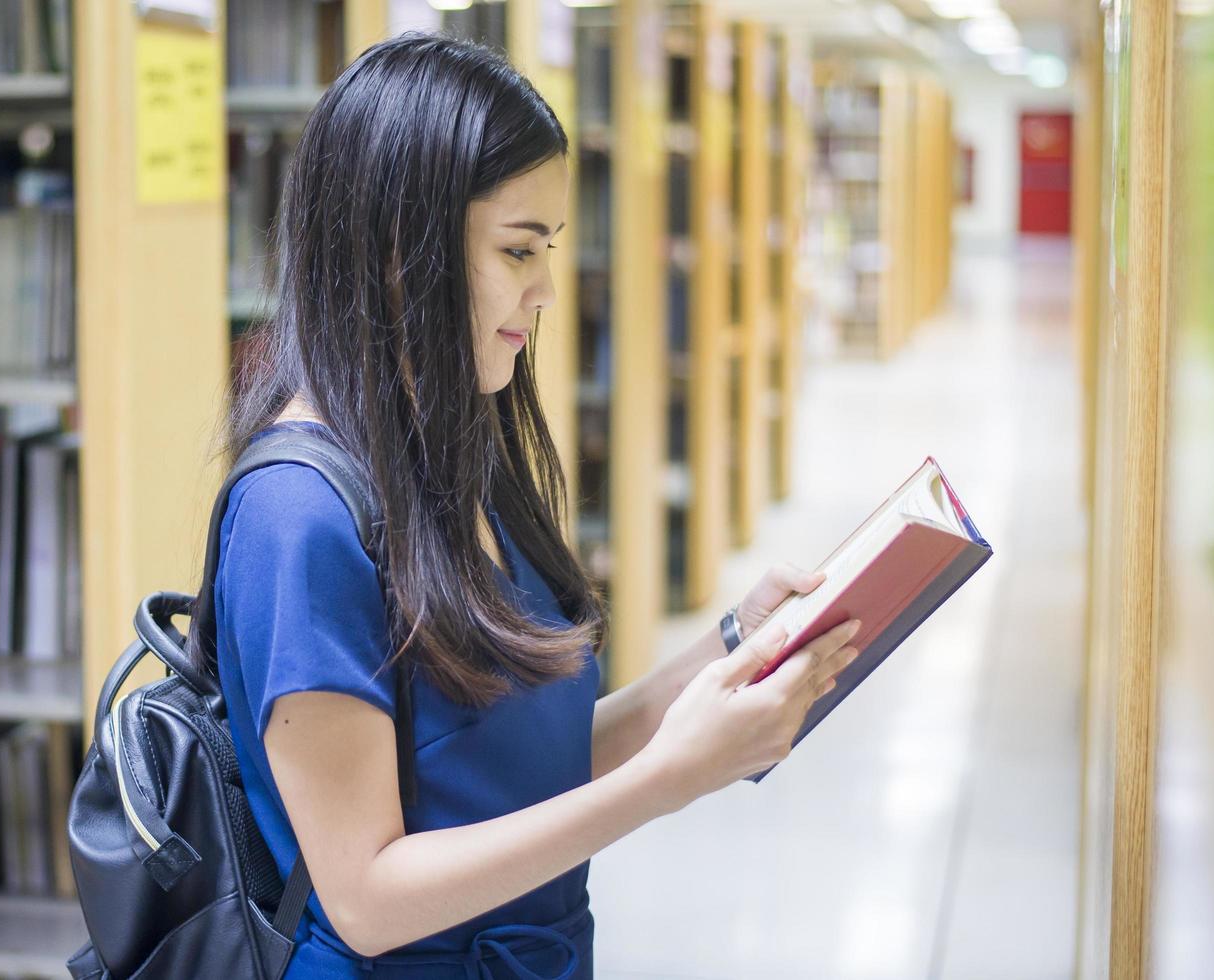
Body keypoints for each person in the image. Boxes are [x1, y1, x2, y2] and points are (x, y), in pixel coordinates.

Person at [190, 32, 860, 979]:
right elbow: (368, 895)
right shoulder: (297, 518)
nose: (546, 292)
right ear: (395, 250)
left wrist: (729, 650)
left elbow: (513, 769)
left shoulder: (448, 460)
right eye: (518, 250)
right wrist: (671, 781)